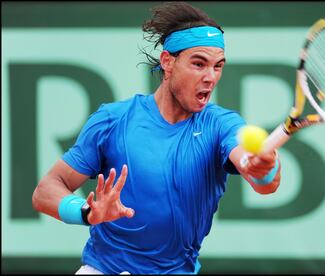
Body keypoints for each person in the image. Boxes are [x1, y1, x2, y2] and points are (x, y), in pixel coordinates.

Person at [32, 1, 281, 274]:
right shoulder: (112, 120)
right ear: (167, 62)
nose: (211, 77)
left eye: (218, 66)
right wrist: (87, 212)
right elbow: (46, 191)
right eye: (199, 64)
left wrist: (264, 168)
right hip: (104, 270)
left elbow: (262, 181)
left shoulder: (221, 124)